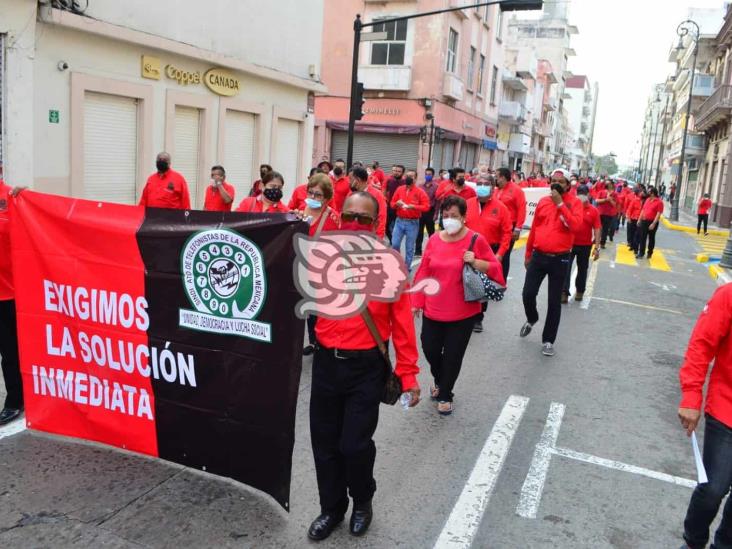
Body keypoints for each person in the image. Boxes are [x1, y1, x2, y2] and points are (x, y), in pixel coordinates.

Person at [307, 191, 420, 541]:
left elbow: (402, 323)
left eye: (363, 219)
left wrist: (410, 375)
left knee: (354, 445)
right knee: (324, 444)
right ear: (340, 218)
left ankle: (362, 501)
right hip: (327, 364)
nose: (355, 224)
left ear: (376, 224)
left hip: (365, 368)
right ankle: (331, 508)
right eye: (349, 216)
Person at [412, 195, 503, 415]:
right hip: (433, 310)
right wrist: (416, 301)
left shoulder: (475, 240)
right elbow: (424, 270)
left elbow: (496, 270)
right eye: (445, 216)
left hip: (462, 313)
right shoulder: (434, 239)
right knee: (430, 349)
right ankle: (440, 380)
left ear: (464, 217)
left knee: (453, 356)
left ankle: (445, 393)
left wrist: (475, 261)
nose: (449, 220)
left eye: (454, 216)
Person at [678, 283, 732, 549]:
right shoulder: (728, 295)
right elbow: (701, 345)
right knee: (713, 489)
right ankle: (693, 542)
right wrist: (691, 395)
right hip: (727, 410)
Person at [520, 168, 582, 357]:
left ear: (568, 185)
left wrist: (561, 204)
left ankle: (548, 340)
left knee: (554, 301)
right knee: (527, 293)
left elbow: (576, 226)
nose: (556, 185)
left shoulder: (575, 203)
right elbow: (535, 228)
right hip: (539, 255)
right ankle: (532, 318)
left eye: (560, 182)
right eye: (553, 181)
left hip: (560, 258)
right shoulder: (543, 202)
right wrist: (528, 253)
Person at [296, 173, 341, 357]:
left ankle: (319, 342)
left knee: (316, 310)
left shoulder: (332, 218)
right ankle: (309, 341)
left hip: (321, 272)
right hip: (300, 268)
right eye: (311, 193)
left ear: (327, 197)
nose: (313, 198)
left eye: (318, 195)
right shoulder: (300, 211)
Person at [465, 175, 512, 333]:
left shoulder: (501, 208)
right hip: (467, 249)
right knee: (463, 282)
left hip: (488, 251)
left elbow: (507, 233)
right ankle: (463, 314)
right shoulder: (467, 204)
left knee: (481, 284)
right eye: (479, 183)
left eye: (486, 184)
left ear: (493, 187)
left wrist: (499, 254)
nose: (482, 186)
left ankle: (478, 318)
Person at [0, 182, 23, 425]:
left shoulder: (12, 197)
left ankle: (18, 399)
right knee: (8, 352)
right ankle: (16, 398)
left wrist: (27, 199)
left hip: (13, 293)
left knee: (15, 351)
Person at [562, 185, 600, 304]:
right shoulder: (571, 207)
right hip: (569, 244)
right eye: (579, 193)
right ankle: (563, 292)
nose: (581, 196)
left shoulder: (593, 210)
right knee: (565, 268)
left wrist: (597, 248)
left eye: (584, 193)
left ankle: (580, 291)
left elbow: (597, 229)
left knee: (583, 269)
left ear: (588, 195)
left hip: (585, 245)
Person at [390, 173, 430, 272]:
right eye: (407, 175)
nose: (408, 178)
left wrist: (414, 207)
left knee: (409, 247)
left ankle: (407, 267)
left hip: (412, 222)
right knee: (394, 244)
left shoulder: (420, 192)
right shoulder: (399, 189)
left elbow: (426, 206)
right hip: (399, 221)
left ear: (415, 179)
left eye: (411, 176)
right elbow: (392, 203)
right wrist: (396, 204)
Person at [495, 167, 527, 280]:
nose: (495, 179)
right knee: (494, 253)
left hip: (509, 227)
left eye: (496, 177)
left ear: (503, 178)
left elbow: (522, 210)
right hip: (495, 226)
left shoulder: (517, 191)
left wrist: (517, 229)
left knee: (504, 254)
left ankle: (501, 281)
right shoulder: (496, 190)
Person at [349, 167, 387, 239]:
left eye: (350, 179)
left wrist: (378, 238)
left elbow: (381, 217)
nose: (349, 181)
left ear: (358, 180)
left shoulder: (377, 195)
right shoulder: (351, 194)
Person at [636, 187, 664, 259]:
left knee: (651, 238)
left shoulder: (659, 202)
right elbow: (643, 210)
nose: (647, 193)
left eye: (649, 192)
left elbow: (658, 214)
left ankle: (650, 253)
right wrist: (639, 219)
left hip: (652, 222)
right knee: (643, 237)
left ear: (653, 193)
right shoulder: (647, 200)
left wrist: (653, 224)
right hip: (644, 221)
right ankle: (641, 253)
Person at [415, 167, 438, 256]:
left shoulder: (436, 187)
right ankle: (418, 251)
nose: (427, 176)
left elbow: (437, 202)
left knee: (431, 233)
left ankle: (433, 251)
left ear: (433, 175)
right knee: (419, 232)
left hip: (430, 211)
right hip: (421, 211)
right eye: (426, 174)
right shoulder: (420, 186)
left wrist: (436, 213)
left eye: (429, 174)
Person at [384, 165, 406, 241]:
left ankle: (396, 241)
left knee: (398, 227)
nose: (396, 173)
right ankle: (392, 240)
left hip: (401, 208)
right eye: (395, 171)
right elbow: (384, 191)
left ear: (403, 173)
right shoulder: (389, 180)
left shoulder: (405, 182)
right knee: (386, 226)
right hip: (390, 207)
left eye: (399, 171)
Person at [595, 181, 617, 248]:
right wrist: (605, 199)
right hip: (600, 212)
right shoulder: (601, 192)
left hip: (609, 214)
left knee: (605, 229)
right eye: (608, 184)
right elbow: (597, 200)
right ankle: (596, 241)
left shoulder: (615, 194)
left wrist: (610, 200)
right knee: (598, 228)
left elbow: (615, 204)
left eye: (610, 184)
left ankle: (602, 243)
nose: (609, 185)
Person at [625, 188, 642, 254]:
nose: (641, 194)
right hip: (633, 219)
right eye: (640, 193)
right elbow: (629, 209)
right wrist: (628, 218)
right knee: (631, 233)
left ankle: (636, 248)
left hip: (640, 220)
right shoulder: (635, 200)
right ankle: (632, 245)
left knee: (637, 234)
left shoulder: (644, 201)